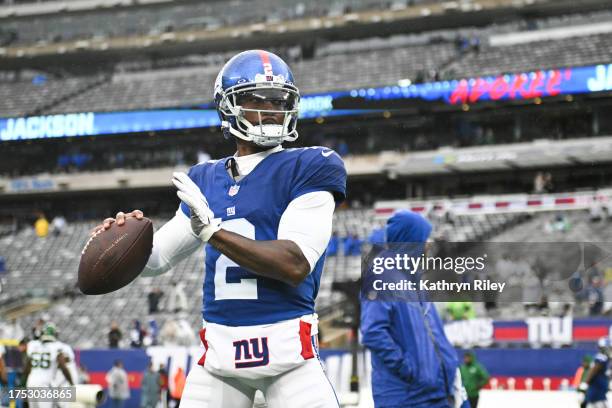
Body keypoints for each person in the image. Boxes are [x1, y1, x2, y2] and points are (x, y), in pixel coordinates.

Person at [93, 49, 346, 407]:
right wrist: (119, 242)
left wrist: (212, 232)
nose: (272, 109)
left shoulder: (311, 165)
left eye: (279, 100)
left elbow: (295, 263)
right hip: (219, 359)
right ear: (228, 106)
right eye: (257, 100)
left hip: (290, 354)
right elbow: (156, 260)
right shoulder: (205, 179)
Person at [360, 211, 469, 408]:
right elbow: (373, 332)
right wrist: (410, 370)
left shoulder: (417, 284)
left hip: (437, 394)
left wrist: (451, 371)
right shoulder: (382, 278)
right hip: (407, 397)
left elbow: (437, 336)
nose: (429, 244)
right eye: (424, 239)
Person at [23, 323, 77, 408]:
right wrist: (72, 382)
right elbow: (63, 366)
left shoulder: (33, 345)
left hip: (31, 382)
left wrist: (23, 384)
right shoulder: (58, 346)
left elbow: (27, 368)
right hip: (45, 384)